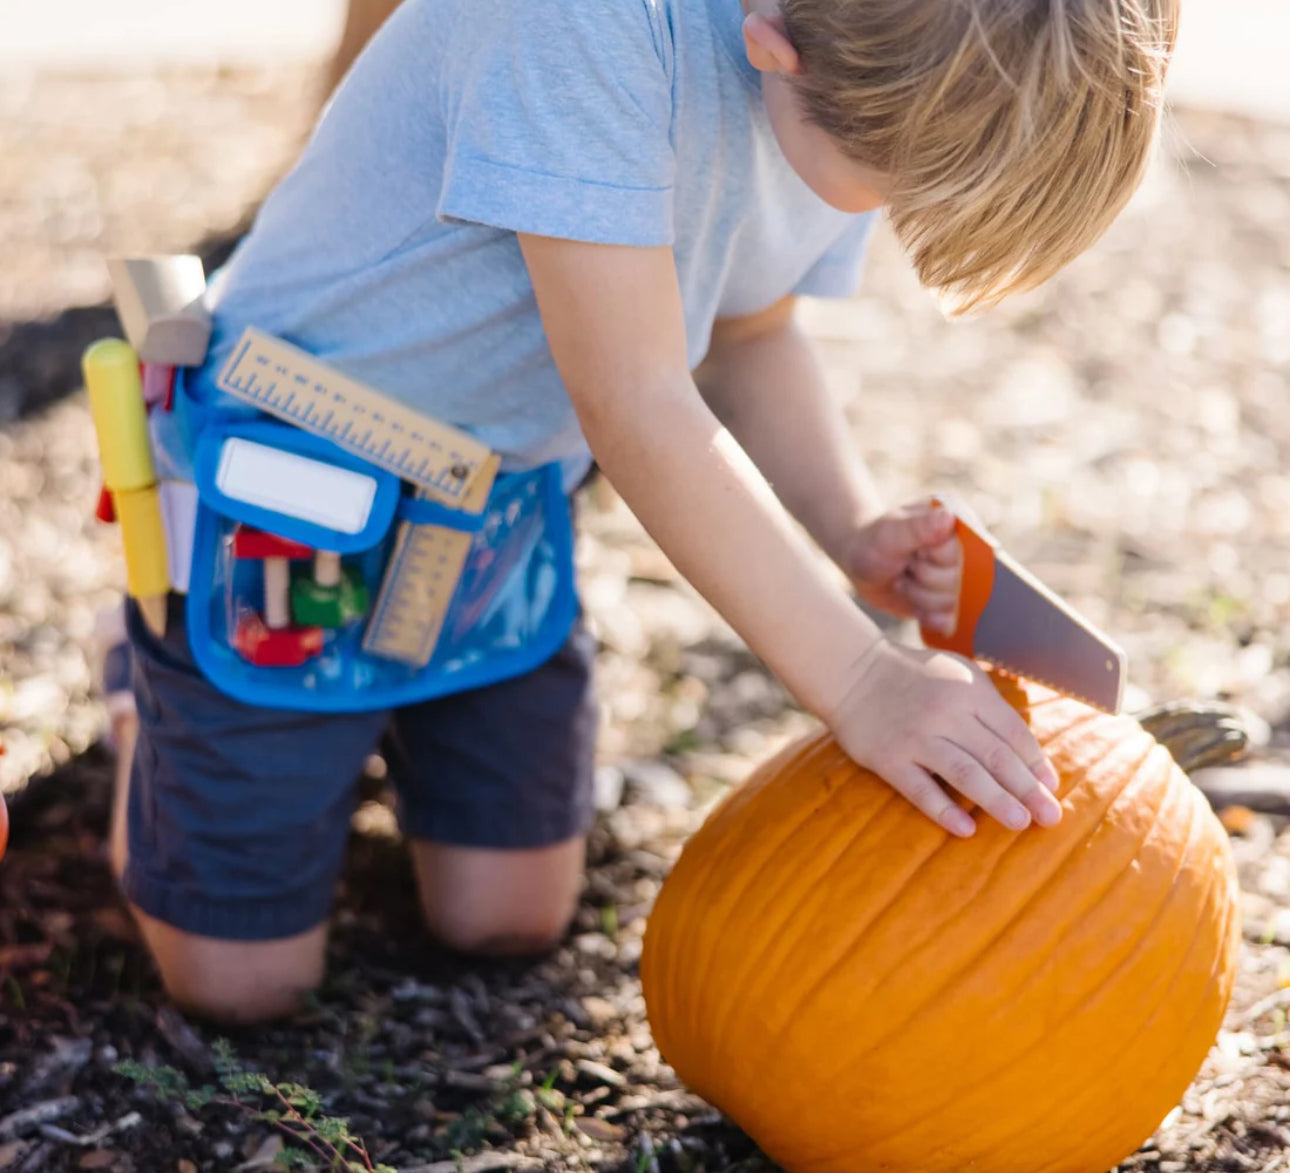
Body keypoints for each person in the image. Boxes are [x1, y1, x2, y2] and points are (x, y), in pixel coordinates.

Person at [107, 0, 1177, 1022]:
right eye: (890, 188)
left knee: (505, 920)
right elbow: (640, 409)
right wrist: (864, 683)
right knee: (240, 987)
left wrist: (849, 530)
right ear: (772, 49)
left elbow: (749, 337)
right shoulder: (581, 27)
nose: (891, 215)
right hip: (289, 502)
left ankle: (335, 738)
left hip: (489, 526)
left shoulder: (859, 56)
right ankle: (146, 701)